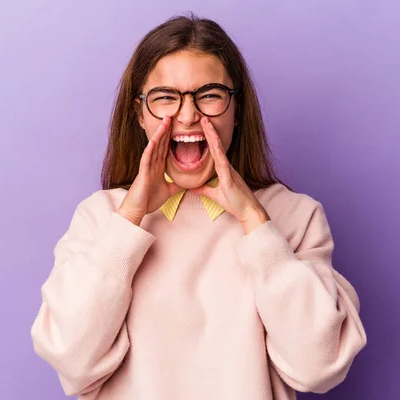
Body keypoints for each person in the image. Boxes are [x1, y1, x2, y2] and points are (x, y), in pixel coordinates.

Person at [30, 14, 367, 400]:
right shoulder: (99, 218)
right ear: (139, 114)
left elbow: (318, 369)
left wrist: (255, 223)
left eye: (209, 95)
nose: (188, 115)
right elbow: (71, 359)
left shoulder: (295, 215)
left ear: (236, 110)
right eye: (165, 98)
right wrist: (129, 221)